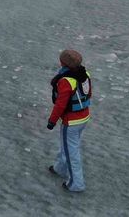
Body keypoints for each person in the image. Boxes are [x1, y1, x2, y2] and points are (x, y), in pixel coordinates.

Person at [47, 50, 92, 193]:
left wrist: (52, 121)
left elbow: (60, 104)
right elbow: (88, 94)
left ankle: (76, 183)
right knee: (67, 145)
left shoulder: (66, 81)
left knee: (72, 151)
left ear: (63, 63)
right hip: (83, 117)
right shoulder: (85, 75)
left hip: (71, 121)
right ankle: (60, 168)